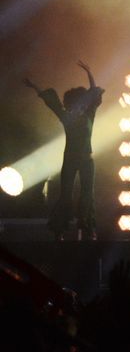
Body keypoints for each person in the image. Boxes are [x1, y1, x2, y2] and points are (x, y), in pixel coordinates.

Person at [24, 60, 104, 241]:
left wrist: (89, 71)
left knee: (87, 194)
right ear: (70, 104)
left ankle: (88, 229)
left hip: (86, 159)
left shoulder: (90, 114)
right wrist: (34, 86)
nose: (82, 105)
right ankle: (59, 230)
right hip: (70, 159)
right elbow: (51, 102)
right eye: (77, 103)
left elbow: (94, 92)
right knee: (66, 194)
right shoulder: (66, 117)